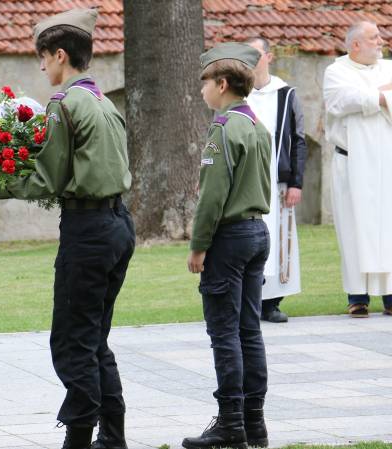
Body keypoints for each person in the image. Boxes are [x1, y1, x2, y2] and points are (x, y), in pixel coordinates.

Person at [0, 8, 135, 449]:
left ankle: (78, 437)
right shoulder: (104, 101)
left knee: (73, 341)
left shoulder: (65, 104)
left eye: (43, 58)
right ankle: (112, 436)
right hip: (117, 225)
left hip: (88, 230)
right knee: (95, 339)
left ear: (59, 55)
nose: (40, 67)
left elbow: (48, 178)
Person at [183, 42, 271, 449]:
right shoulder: (257, 126)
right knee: (249, 330)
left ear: (222, 84)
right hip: (257, 232)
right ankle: (255, 423)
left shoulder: (223, 128)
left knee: (224, 333)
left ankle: (231, 423)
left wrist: (198, 246)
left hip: (230, 238)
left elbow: (212, 196)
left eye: (205, 83)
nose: (201, 91)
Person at [323, 21, 392, 318]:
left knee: (387, 228)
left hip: (385, 161)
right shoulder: (336, 71)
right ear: (355, 45)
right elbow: (340, 101)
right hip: (349, 162)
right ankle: (358, 296)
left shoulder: (388, 68)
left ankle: (390, 295)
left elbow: (356, 98)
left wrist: (367, 93)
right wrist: (381, 95)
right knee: (352, 229)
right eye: (373, 37)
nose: (381, 40)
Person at [245, 37, 307, 323]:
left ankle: (272, 303)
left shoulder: (286, 93)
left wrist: (296, 182)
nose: (252, 59)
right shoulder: (239, 94)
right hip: (249, 179)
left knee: (279, 239)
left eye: (256, 54)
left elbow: (298, 139)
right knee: (248, 236)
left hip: (278, 179)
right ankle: (249, 300)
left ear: (268, 57)